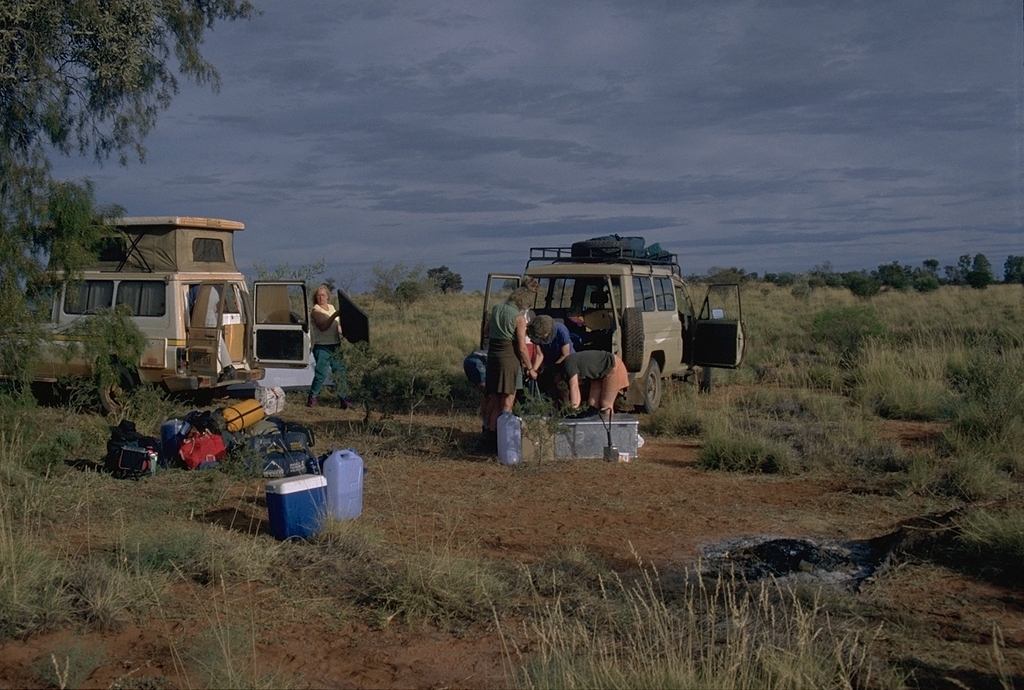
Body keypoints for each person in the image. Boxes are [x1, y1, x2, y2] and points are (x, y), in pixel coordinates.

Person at [483, 281, 537, 449]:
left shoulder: (496, 309)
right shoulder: (519, 318)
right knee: (507, 402)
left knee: (495, 400)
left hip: (493, 356)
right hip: (508, 358)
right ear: (523, 302)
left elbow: (486, 331)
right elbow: (521, 347)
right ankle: (504, 442)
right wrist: (530, 368)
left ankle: (490, 440)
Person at [308, 285, 353, 408]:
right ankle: (313, 396)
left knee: (340, 372)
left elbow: (336, 325)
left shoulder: (331, 307)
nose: (321, 297)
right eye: (318, 295)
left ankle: (344, 398)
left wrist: (348, 334)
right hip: (322, 346)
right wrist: (334, 315)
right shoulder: (315, 310)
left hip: (335, 344)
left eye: (323, 295)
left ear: (328, 296)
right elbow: (323, 327)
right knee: (321, 373)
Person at [561, 350, 629, 420]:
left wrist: (572, 411)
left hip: (613, 365)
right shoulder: (568, 364)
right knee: (592, 404)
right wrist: (575, 409)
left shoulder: (568, 364)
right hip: (599, 373)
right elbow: (576, 388)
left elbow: (574, 387)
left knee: (606, 404)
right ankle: (595, 428)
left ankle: (610, 428)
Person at [526, 315, 575, 404]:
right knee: (545, 382)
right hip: (549, 362)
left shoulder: (561, 330)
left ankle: (565, 408)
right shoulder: (536, 334)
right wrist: (533, 370)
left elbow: (565, 354)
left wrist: (552, 369)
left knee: (559, 383)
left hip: (566, 361)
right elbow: (540, 355)